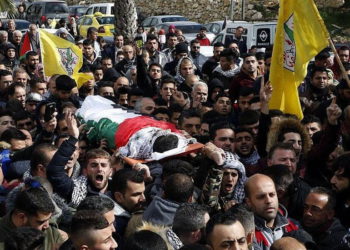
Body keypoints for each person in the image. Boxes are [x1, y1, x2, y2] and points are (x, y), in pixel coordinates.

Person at [245, 174, 299, 249]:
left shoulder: (294, 226)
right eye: (261, 197)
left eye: (272, 195)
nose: (269, 201)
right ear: (248, 202)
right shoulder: (244, 232)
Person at [0, 187, 65, 249]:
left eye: (49, 218)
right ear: (21, 217)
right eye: (41, 222)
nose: (47, 225)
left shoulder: (51, 233)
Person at [201, 144, 247, 212]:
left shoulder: (244, 197)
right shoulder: (204, 190)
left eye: (234, 175)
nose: (230, 179)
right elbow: (209, 205)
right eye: (225, 174)